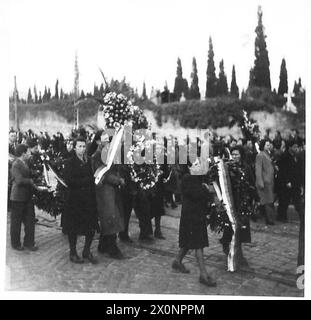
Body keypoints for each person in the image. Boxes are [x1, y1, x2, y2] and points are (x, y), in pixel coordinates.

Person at [172, 159, 216, 287]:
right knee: (198, 244)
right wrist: (207, 190)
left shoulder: (198, 179)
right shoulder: (188, 178)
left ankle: (177, 260)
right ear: (190, 168)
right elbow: (196, 194)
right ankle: (203, 274)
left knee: (188, 241)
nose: (198, 167)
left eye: (199, 164)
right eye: (195, 165)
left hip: (196, 215)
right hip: (191, 216)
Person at [62, 137, 98, 264]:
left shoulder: (89, 161)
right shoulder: (69, 162)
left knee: (91, 226)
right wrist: (87, 181)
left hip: (88, 199)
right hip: (75, 200)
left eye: (84, 146)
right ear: (74, 148)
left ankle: (86, 251)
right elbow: (69, 181)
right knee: (74, 228)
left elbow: (93, 176)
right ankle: (73, 252)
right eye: (79, 146)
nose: (82, 149)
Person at [220, 146, 256, 267]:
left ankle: (239, 253)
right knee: (231, 227)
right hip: (231, 202)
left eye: (237, 154)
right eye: (233, 154)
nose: (234, 156)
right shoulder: (228, 167)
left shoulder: (246, 167)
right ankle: (227, 247)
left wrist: (254, 198)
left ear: (241, 155)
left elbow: (251, 182)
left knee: (242, 228)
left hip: (243, 203)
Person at [91, 130, 125, 259]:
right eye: (104, 139)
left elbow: (116, 169)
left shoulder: (110, 154)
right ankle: (112, 248)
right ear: (98, 141)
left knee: (112, 217)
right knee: (110, 218)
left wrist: (120, 177)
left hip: (113, 191)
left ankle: (103, 245)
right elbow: (101, 174)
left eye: (108, 139)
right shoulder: (97, 156)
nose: (107, 142)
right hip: (104, 192)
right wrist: (118, 180)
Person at [10, 144, 41, 251]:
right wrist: (30, 181)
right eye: (28, 152)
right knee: (16, 222)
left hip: (27, 197)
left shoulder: (25, 163)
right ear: (23, 153)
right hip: (17, 197)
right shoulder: (16, 164)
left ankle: (29, 243)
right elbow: (19, 180)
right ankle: (15, 243)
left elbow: (27, 175)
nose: (29, 153)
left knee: (30, 220)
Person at [276, 140, 304, 223]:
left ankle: (301, 215)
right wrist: (287, 181)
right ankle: (281, 216)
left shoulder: (296, 156)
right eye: (294, 147)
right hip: (286, 183)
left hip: (295, 182)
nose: (296, 148)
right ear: (290, 147)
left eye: (297, 147)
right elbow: (283, 171)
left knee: (296, 200)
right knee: (284, 201)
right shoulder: (285, 156)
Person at [255, 139, 275, 225]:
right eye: (267, 145)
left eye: (269, 145)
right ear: (263, 146)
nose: (269, 146)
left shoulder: (267, 154)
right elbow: (258, 170)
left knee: (268, 201)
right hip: (265, 182)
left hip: (269, 182)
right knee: (267, 201)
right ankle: (269, 219)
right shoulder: (260, 155)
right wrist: (260, 182)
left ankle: (267, 217)